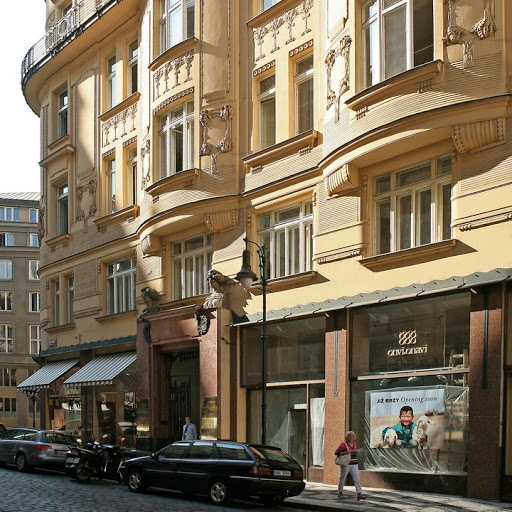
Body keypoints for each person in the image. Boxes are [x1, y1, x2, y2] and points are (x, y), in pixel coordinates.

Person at [335, 431, 366, 500]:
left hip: (354, 463)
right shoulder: (343, 444)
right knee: (342, 478)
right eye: (349, 436)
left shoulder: (354, 444)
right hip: (346, 464)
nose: (351, 438)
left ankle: (359, 493)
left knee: (356, 478)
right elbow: (336, 452)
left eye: (352, 436)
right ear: (346, 437)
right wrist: (346, 452)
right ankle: (340, 492)